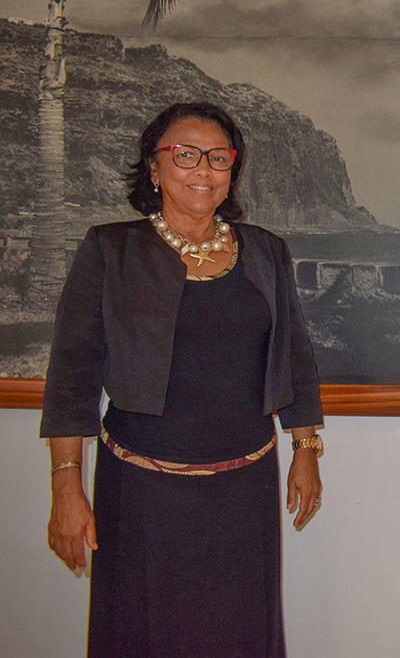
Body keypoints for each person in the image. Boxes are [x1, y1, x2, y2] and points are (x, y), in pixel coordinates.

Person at [40, 102, 326, 657]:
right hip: (142, 495)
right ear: (154, 167)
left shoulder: (266, 251)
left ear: (232, 171)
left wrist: (306, 448)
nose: (203, 169)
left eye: (218, 158)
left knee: (238, 636)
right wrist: (66, 487)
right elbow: (72, 376)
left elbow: (294, 355)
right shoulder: (110, 249)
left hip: (244, 493)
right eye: (186, 154)